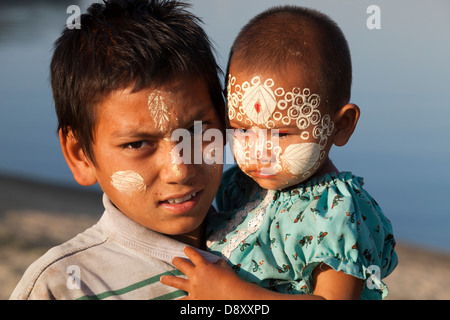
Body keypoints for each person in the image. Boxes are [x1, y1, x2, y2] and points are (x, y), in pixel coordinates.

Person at [160, 5, 398, 300]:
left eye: (282, 133)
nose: (259, 152)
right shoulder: (241, 184)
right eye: (243, 129)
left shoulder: (335, 212)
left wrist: (229, 293)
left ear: (341, 126)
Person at [10, 0, 225, 300]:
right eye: (137, 144)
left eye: (196, 131)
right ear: (80, 156)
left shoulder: (278, 235)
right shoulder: (64, 287)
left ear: (226, 120)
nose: (180, 169)